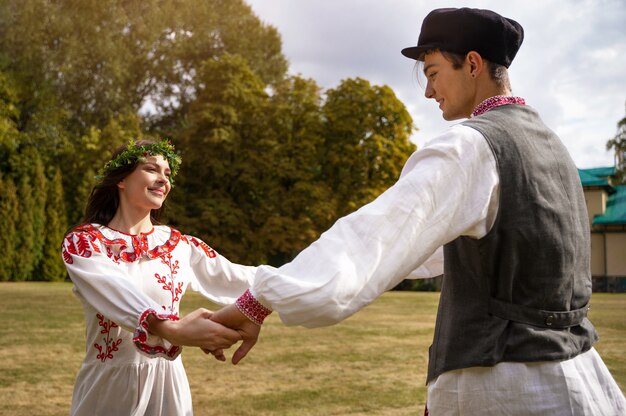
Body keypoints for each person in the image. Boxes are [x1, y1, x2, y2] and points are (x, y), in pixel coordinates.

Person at [210, 7, 626, 415]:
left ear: (474, 64)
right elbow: (423, 247)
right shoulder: (553, 148)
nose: (428, 92)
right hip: (579, 379)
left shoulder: (470, 147)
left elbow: (374, 237)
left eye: (432, 73)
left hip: (503, 383)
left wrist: (258, 301)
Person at [62, 138, 256, 415]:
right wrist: (173, 330)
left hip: (169, 382)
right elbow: (113, 289)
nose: (163, 179)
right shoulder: (86, 242)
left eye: (167, 174)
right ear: (121, 179)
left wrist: (275, 292)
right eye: (152, 169)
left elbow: (239, 278)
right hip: (108, 386)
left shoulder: (180, 245)